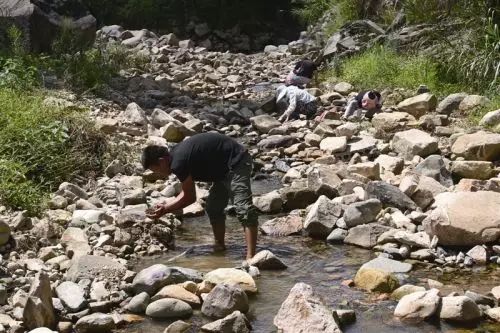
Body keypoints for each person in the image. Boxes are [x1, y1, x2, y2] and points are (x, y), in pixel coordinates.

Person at [141, 133, 258, 260]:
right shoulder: (175, 157)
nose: (158, 174)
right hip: (223, 171)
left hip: (237, 162)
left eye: (156, 170)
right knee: (213, 208)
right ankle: (220, 247)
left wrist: (165, 209)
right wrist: (165, 206)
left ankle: (251, 257)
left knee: (244, 209)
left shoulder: (178, 162)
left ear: (161, 161)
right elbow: (187, 192)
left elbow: (190, 197)